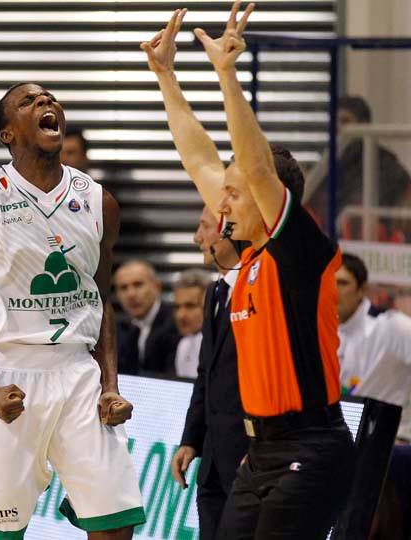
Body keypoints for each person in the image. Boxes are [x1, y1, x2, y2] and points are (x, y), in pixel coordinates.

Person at [142, 4, 354, 538]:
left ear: (270, 201)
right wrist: (166, 76)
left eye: (233, 195)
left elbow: (254, 166)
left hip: (311, 446)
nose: (221, 204)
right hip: (258, 453)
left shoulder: (299, 252)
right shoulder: (249, 254)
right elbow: (199, 158)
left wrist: (226, 74)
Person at [0, 82, 145, 539]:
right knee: (8, 530)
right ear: (7, 133)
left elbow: (99, 297)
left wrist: (110, 384)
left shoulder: (98, 201)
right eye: (29, 101)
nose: (46, 103)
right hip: (7, 370)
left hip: (77, 375)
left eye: (50, 97)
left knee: (116, 522)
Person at [171, 207, 248, 540]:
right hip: (214, 460)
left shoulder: (256, 290)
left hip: (248, 459)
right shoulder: (216, 293)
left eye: (204, 227)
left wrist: (260, 447)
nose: (196, 237)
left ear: (230, 232)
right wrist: (191, 439)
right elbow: (207, 374)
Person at [305, 95, 411, 241]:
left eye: (345, 121)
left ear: (364, 125)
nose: (338, 128)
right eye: (333, 122)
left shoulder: (389, 170)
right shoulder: (322, 168)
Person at [337, 253, 411, 406]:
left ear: (362, 290)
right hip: (343, 427)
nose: (333, 290)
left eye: (342, 283)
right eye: (327, 283)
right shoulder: (319, 331)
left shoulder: (392, 326)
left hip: (395, 429)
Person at [113, 260, 180, 375]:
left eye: (138, 284)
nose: (131, 294)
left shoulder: (176, 323)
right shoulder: (120, 331)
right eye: (123, 288)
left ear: (157, 287)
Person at [172, 269, 212, 378]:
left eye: (190, 306)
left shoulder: (219, 347)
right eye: (177, 307)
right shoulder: (183, 345)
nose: (181, 315)